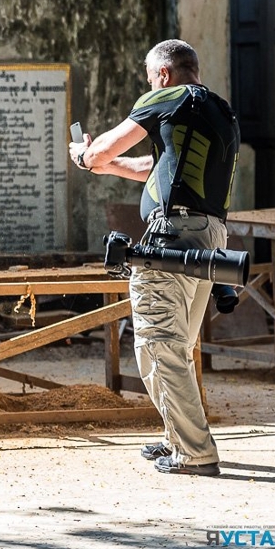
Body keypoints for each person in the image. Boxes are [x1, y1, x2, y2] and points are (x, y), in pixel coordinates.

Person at [68, 39, 240, 477]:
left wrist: (89, 158)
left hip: (172, 238)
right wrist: (112, 167)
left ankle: (195, 453)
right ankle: (177, 438)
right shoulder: (218, 110)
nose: (148, 83)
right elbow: (158, 165)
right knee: (177, 346)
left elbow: (107, 144)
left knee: (158, 342)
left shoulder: (164, 96)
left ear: (163, 74)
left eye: (149, 76)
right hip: (207, 237)